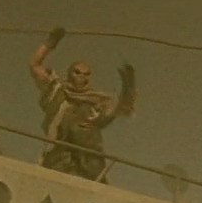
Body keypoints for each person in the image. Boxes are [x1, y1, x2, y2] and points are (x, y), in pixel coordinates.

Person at [30, 27, 134, 182]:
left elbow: (120, 109)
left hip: (89, 166)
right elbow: (35, 65)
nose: (81, 77)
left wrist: (129, 85)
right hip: (58, 160)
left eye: (86, 74)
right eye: (77, 72)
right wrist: (51, 42)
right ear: (70, 72)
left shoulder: (96, 101)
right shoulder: (56, 91)